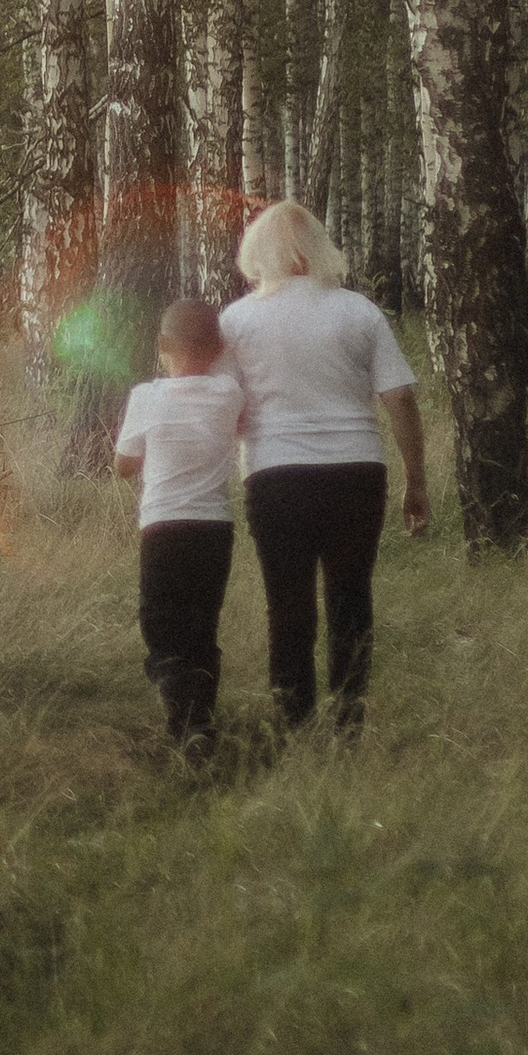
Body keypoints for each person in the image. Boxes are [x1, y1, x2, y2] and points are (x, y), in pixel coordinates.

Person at [219, 200, 427, 734]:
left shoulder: (236, 321)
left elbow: (225, 405)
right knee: (350, 597)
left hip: (274, 474)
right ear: (318, 246)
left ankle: (294, 722)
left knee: (286, 602)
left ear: (257, 252)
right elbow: (400, 398)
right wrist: (416, 481)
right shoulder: (358, 311)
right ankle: (348, 721)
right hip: (356, 472)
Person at [113, 297, 244, 760]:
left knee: (161, 625)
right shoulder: (229, 393)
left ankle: (182, 720)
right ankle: (201, 719)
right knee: (202, 625)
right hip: (214, 528)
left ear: (161, 345)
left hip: (163, 528)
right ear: (219, 348)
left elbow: (124, 466)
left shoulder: (145, 397)